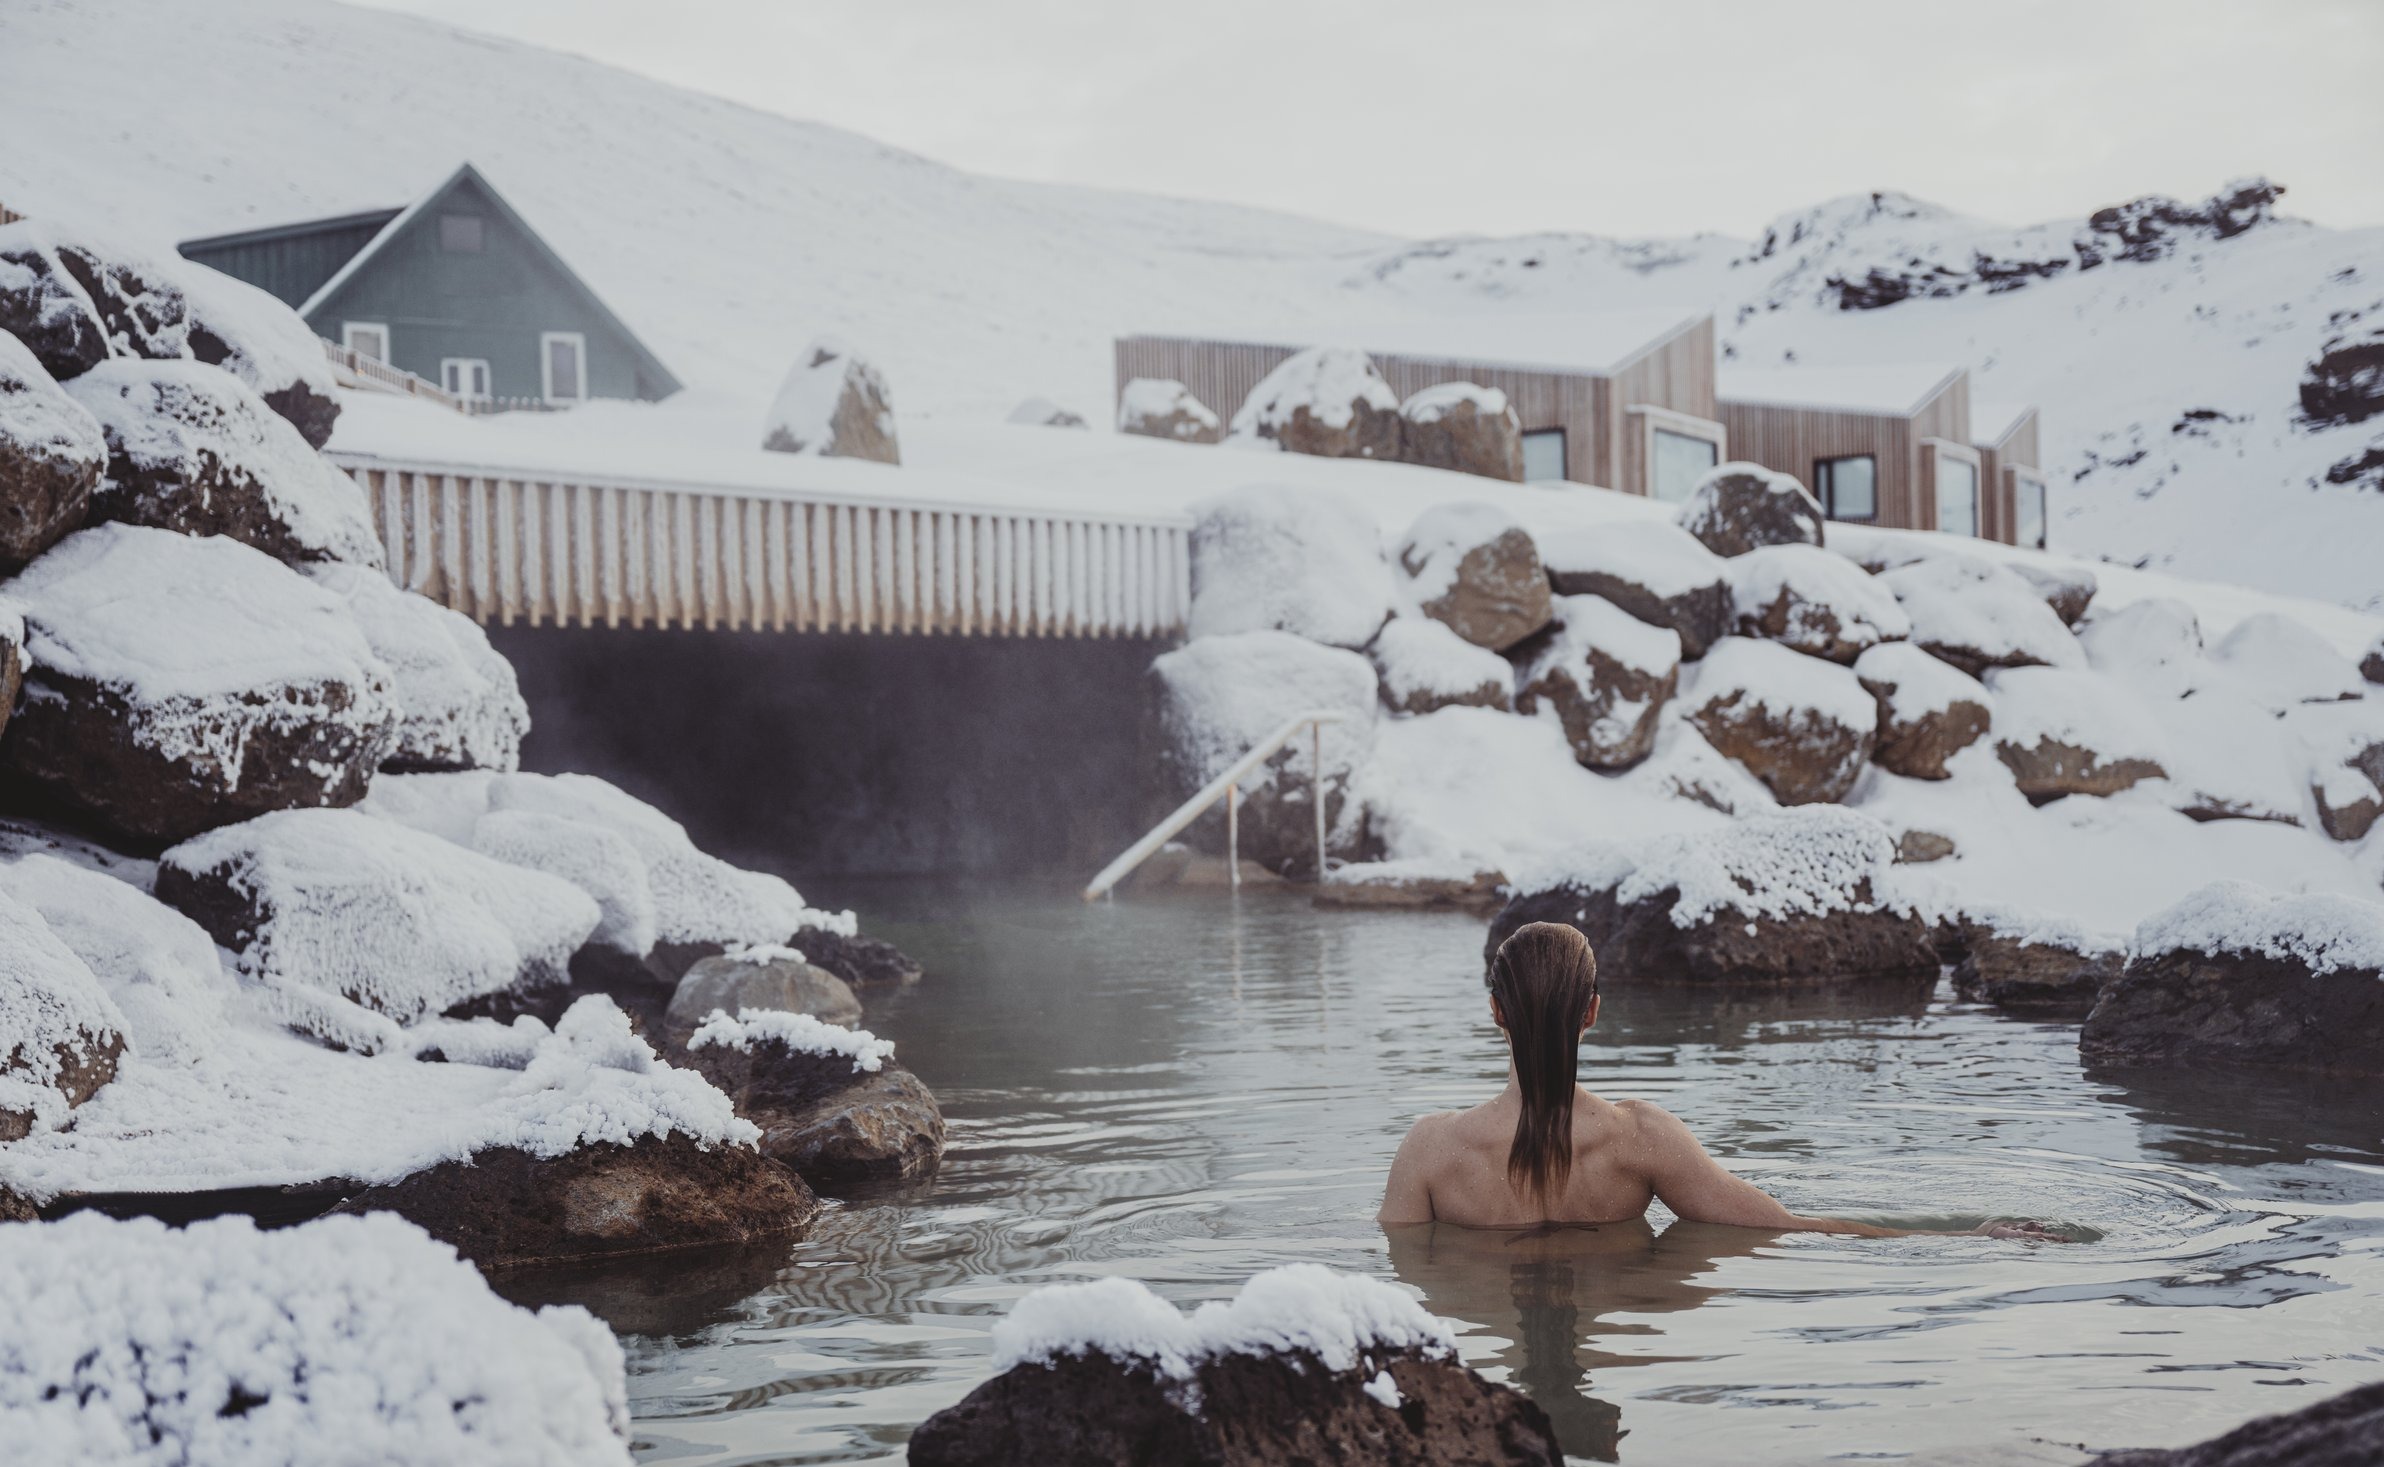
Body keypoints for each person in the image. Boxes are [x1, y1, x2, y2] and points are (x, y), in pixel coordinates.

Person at [1377, 921, 2063, 1239]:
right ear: (1593, 1011)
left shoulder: (1431, 1150)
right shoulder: (1642, 1139)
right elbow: (1792, 1228)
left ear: (1495, 1010)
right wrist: (1967, 1235)